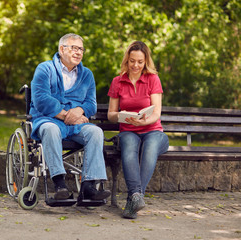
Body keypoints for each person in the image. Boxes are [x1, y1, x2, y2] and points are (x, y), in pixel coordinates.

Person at [29, 33, 110, 202]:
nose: (78, 52)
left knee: (95, 132)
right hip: (48, 120)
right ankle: (60, 184)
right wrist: (68, 115)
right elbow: (41, 99)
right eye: (74, 48)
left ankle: (89, 186)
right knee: (51, 129)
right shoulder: (45, 69)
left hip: (76, 125)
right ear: (61, 49)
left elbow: (91, 104)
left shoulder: (87, 75)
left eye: (81, 49)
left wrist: (80, 110)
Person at [107, 41, 169, 219]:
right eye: (132, 61)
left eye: (140, 62)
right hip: (128, 130)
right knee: (128, 148)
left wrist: (143, 122)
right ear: (126, 60)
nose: (135, 65)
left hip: (153, 132)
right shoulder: (117, 82)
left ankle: (132, 197)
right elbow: (111, 114)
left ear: (146, 61)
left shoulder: (152, 79)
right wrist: (121, 116)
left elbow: (156, 112)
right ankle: (136, 197)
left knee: (149, 148)